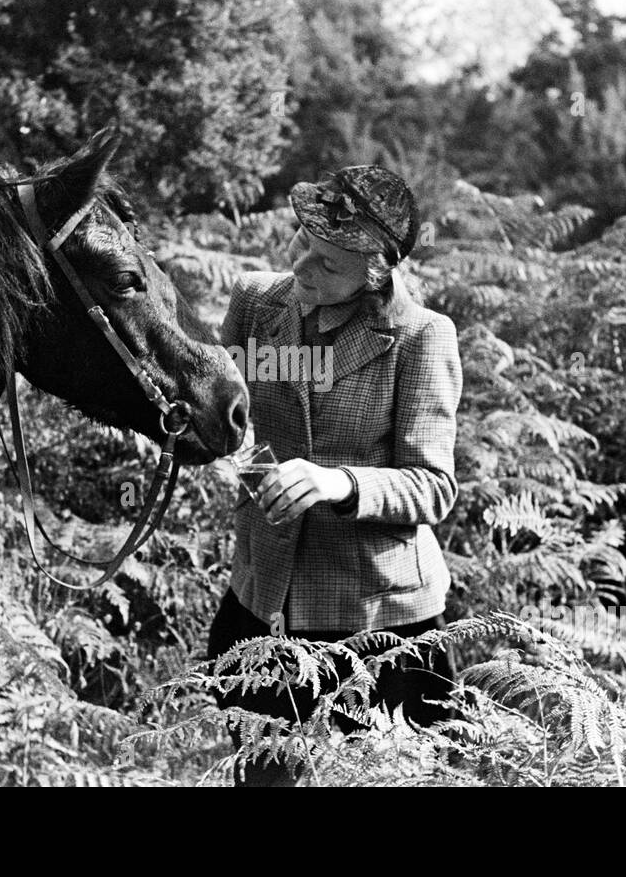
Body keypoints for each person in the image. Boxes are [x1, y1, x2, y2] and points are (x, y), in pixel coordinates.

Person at [210, 164, 463, 786]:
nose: (302, 268)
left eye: (328, 264)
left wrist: (339, 484)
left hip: (380, 622)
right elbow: (225, 416)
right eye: (303, 244)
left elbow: (433, 485)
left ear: (376, 276)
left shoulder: (420, 339)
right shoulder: (254, 304)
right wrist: (223, 453)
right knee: (261, 776)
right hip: (263, 600)